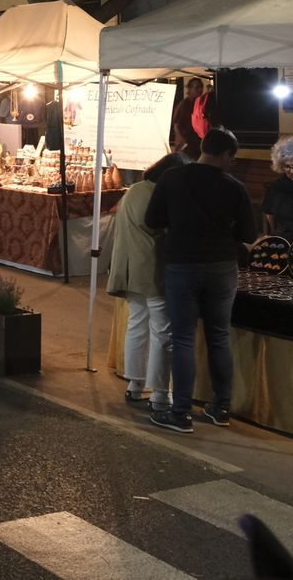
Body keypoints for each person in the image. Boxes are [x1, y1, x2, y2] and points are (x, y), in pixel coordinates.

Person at [144, 128, 256, 434]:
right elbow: (248, 234)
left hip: (182, 264)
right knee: (218, 336)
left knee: (183, 338)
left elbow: (152, 220)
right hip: (221, 266)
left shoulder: (172, 179)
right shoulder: (234, 187)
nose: (232, 163)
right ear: (224, 154)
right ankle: (220, 407)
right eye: (232, 157)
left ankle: (180, 413)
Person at [108, 152, 189, 415]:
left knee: (137, 324)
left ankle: (135, 383)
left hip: (129, 268)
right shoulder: (160, 194)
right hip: (153, 269)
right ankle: (161, 393)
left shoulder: (134, 190)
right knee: (162, 332)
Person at [171, 78, 205, 158]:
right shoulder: (183, 105)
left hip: (197, 144)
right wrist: (182, 140)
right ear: (189, 89)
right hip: (187, 145)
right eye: (196, 87)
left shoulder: (200, 104)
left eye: (200, 87)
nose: (199, 90)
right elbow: (176, 125)